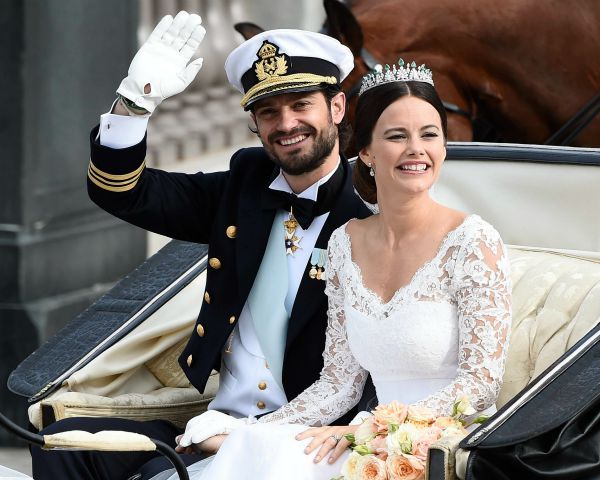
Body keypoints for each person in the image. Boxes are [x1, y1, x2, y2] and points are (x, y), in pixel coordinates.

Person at [30, 11, 373, 480]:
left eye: (301, 105)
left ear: (335, 108)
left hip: (308, 440)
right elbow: (123, 191)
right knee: (64, 447)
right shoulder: (244, 185)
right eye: (268, 111)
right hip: (213, 421)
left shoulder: (372, 212)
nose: (286, 123)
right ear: (253, 122)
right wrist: (135, 103)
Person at [148, 60, 513, 480]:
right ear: (367, 152)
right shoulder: (345, 241)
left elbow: (480, 385)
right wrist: (254, 432)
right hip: (359, 439)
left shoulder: (473, 241)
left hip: (447, 447)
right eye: (397, 136)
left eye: (429, 135)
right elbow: (340, 383)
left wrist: (374, 429)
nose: (416, 148)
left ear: (444, 147)